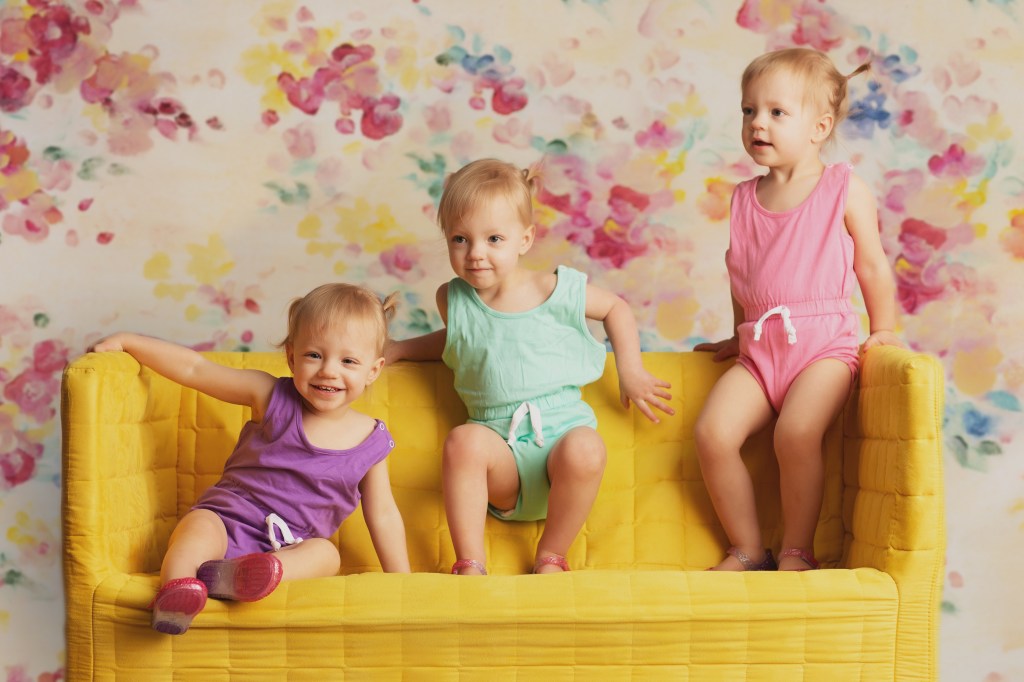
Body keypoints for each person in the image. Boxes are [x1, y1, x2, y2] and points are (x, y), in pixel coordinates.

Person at [386, 158, 674, 575]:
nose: (475, 254)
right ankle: (470, 562)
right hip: (499, 457)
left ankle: (551, 554)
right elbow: (460, 342)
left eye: (494, 239)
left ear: (525, 239)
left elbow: (616, 308)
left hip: (561, 453)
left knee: (587, 447)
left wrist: (631, 371)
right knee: (463, 442)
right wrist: (401, 349)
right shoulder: (453, 299)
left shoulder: (554, 289)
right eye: (460, 239)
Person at [89, 283, 410, 634]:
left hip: (289, 547)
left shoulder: (371, 441)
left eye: (348, 361)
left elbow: (383, 515)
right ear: (291, 357)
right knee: (197, 528)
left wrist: (405, 585)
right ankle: (176, 592)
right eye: (314, 355)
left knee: (327, 555)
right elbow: (196, 369)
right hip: (225, 520)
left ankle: (245, 576)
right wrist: (130, 342)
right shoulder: (270, 395)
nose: (328, 371)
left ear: (373, 370)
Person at [694, 48, 903, 571]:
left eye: (776, 112)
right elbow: (743, 275)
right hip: (760, 351)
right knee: (712, 435)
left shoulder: (843, 189)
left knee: (795, 434)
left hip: (822, 347)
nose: (757, 123)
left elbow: (871, 265)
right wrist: (739, 334)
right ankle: (747, 547)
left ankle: (796, 549)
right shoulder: (744, 198)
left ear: (819, 127)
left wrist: (884, 328)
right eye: (749, 110)